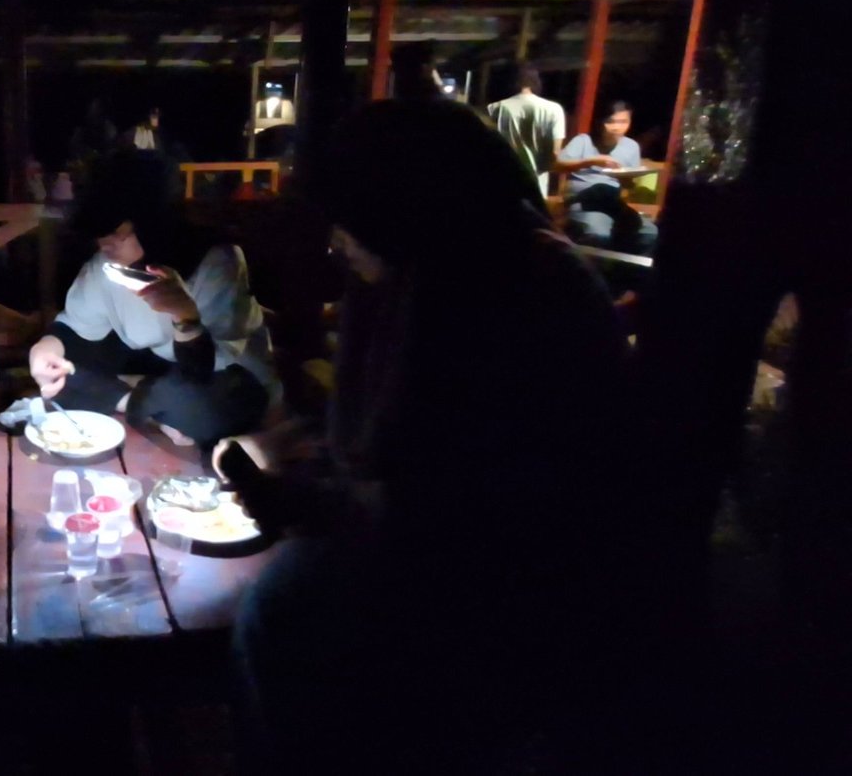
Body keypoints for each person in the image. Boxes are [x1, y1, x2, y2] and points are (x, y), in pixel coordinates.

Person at [227, 100, 649, 770]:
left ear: (404, 209)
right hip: (447, 551)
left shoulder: (511, 290)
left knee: (282, 608)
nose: (337, 242)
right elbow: (390, 457)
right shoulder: (434, 268)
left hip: (521, 590)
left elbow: (461, 509)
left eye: (350, 222)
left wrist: (308, 502)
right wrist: (302, 463)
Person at [28, 154, 275, 448]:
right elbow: (74, 329)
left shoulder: (216, 262)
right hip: (161, 373)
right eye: (101, 234)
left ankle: (143, 402)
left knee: (195, 407)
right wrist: (45, 349)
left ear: (154, 223)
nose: (105, 243)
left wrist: (184, 315)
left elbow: (202, 370)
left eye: (118, 232)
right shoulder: (105, 265)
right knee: (62, 378)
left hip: (229, 378)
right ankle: (147, 406)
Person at [555, 100, 658, 254]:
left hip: (611, 202)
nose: (617, 127)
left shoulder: (631, 146)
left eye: (623, 122)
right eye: (611, 122)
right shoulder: (583, 141)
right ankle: (591, 266)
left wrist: (627, 179)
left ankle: (627, 267)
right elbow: (558, 165)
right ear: (601, 122)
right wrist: (592, 161)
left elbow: (629, 185)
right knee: (599, 233)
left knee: (649, 232)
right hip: (583, 201)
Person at [487, 64, 567, 198]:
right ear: (536, 82)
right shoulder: (554, 109)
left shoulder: (495, 108)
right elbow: (554, 152)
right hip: (537, 185)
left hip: (502, 181)